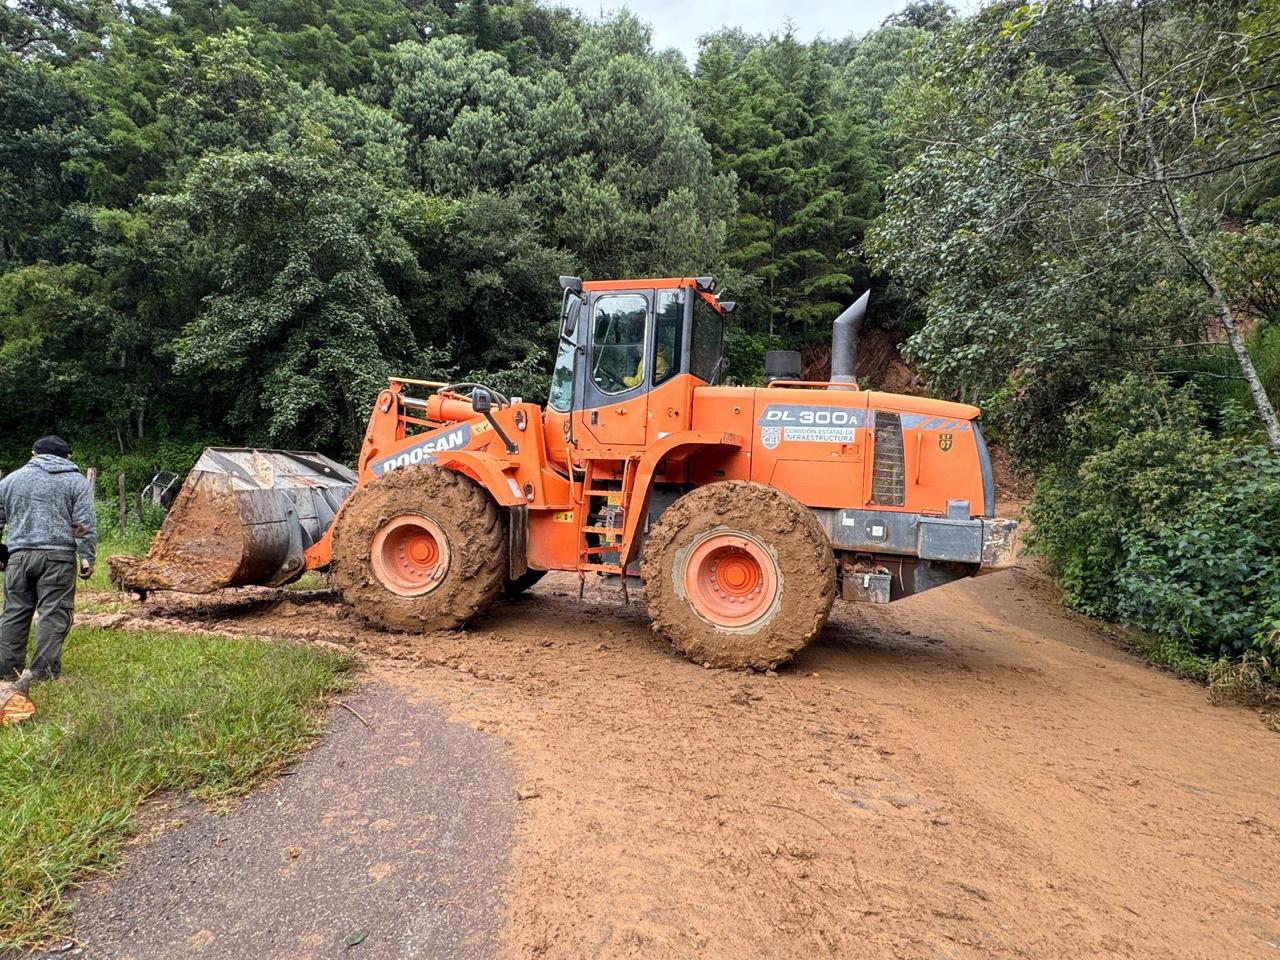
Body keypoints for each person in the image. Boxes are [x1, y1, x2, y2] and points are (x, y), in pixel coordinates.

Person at [0, 436, 97, 681]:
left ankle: (6, 671)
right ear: (67, 457)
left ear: (34, 454)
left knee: (14, 612)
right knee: (53, 614)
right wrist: (86, 557)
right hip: (58, 558)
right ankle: (43, 672)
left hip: (19, 557)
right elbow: (83, 523)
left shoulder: (10, 481)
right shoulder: (76, 481)